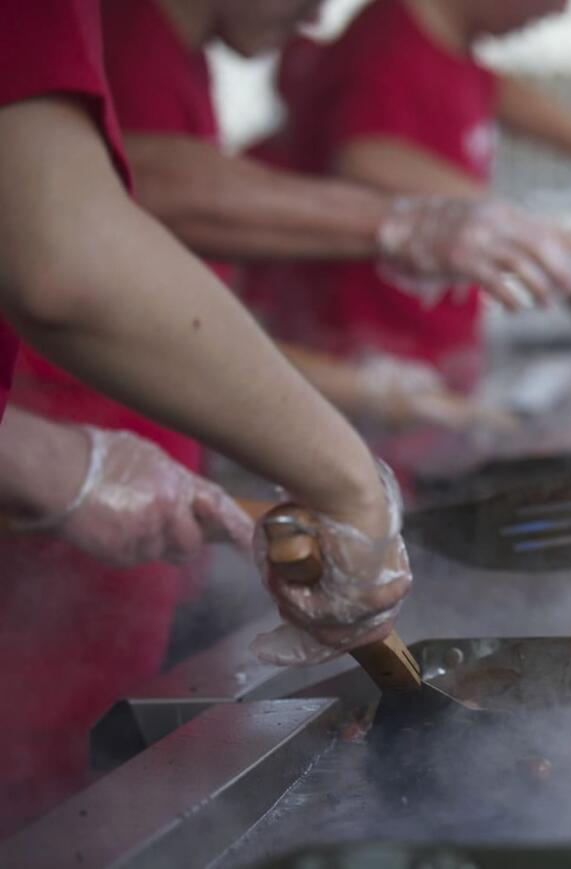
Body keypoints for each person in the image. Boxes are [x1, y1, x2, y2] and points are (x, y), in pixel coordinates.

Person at [0, 0, 484, 832]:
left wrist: (42, 456)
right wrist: (348, 483)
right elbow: (68, 251)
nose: (318, 15)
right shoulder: (126, 39)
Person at [97, 0, 571, 433]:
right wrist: (408, 227)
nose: (315, 19)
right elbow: (137, 193)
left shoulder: (180, 55)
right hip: (104, 440)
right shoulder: (129, 44)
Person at [247, 0, 571, 396]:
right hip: (364, 371)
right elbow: (366, 156)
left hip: (426, 372)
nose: (562, 10)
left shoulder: (450, 46)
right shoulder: (387, 42)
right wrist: (534, 235)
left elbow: (495, 89)